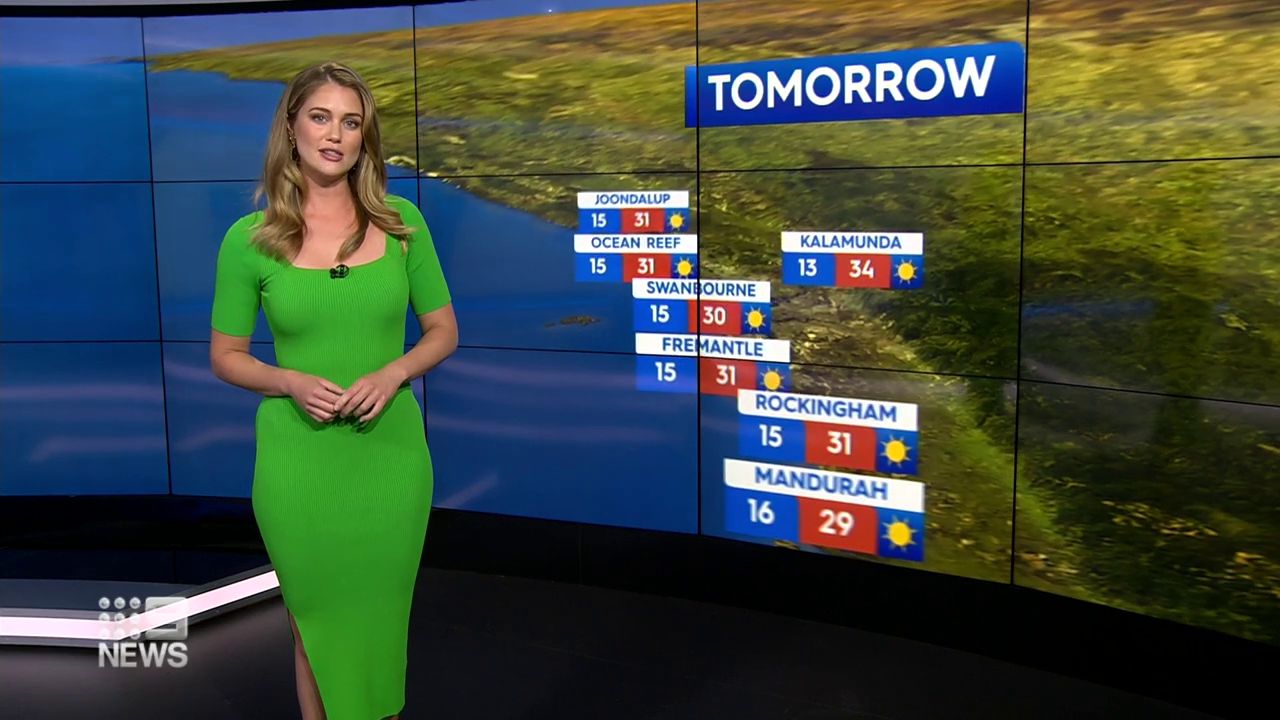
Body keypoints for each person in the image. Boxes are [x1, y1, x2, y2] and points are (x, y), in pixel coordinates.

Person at [209, 61, 458, 720]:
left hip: (389, 461)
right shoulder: (249, 241)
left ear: (364, 137)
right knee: (313, 626)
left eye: (351, 122)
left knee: (377, 627)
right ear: (291, 127)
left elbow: (443, 332)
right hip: (299, 464)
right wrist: (287, 379)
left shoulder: (402, 223)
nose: (335, 135)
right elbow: (226, 357)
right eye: (320, 117)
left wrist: (393, 372)